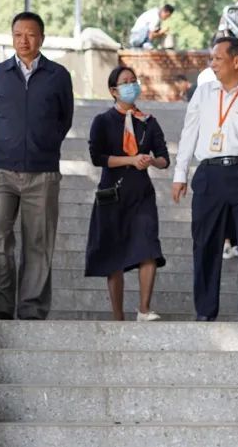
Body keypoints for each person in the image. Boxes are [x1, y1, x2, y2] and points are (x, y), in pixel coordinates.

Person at [172, 36, 238, 321]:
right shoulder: (203, 93)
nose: (212, 64)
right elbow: (188, 134)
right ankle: (205, 312)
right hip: (210, 174)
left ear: (236, 61)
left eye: (218, 58)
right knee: (205, 245)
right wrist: (180, 174)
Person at [0, 11, 74, 320]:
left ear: (41, 38)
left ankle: (32, 309)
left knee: (38, 241)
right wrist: (8, 142)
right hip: (1, 169)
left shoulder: (58, 75)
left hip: (42, 171)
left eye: (30, 34)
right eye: (18, 34)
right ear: (12, 38)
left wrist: (43, 145)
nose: (24, 40)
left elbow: (64, 119)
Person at [85, 66, 169, 321]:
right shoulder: (102, 121)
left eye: (134, 80)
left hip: (141, 194)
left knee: (149, 246)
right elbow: (97, 157)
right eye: (125, 82)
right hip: (112, 194)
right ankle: (117, 316)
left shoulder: (149, 121)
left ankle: (144, 308)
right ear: (113, 90)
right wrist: (130, 160)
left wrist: (151, 161)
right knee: (114, 254)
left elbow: (164, 158)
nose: (131, 85)